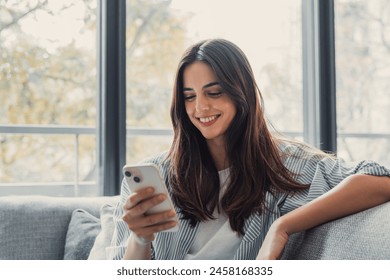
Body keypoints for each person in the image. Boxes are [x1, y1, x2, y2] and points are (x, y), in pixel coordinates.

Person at [107, 38, 390, 260]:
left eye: (214, 92)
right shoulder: (161, 176)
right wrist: (140, 239)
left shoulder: (285, 165)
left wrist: (284, 226)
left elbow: (380, 180)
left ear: (240, 91)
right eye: (189, 97)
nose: (200, 108)